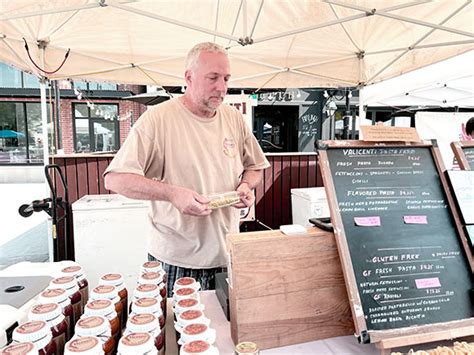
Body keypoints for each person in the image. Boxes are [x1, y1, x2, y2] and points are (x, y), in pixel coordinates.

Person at [104, 42, 270, 295]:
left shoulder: (233, 117)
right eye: (213, 78)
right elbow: (115, 180)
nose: (222, 87)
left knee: (224, 332)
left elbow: (255, 167)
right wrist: (172, 193)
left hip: (227, 254)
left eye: (226, 78)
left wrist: (246, 186)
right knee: (176, 332)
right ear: (189, 78)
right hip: (175, 260)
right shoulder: (157, 119)